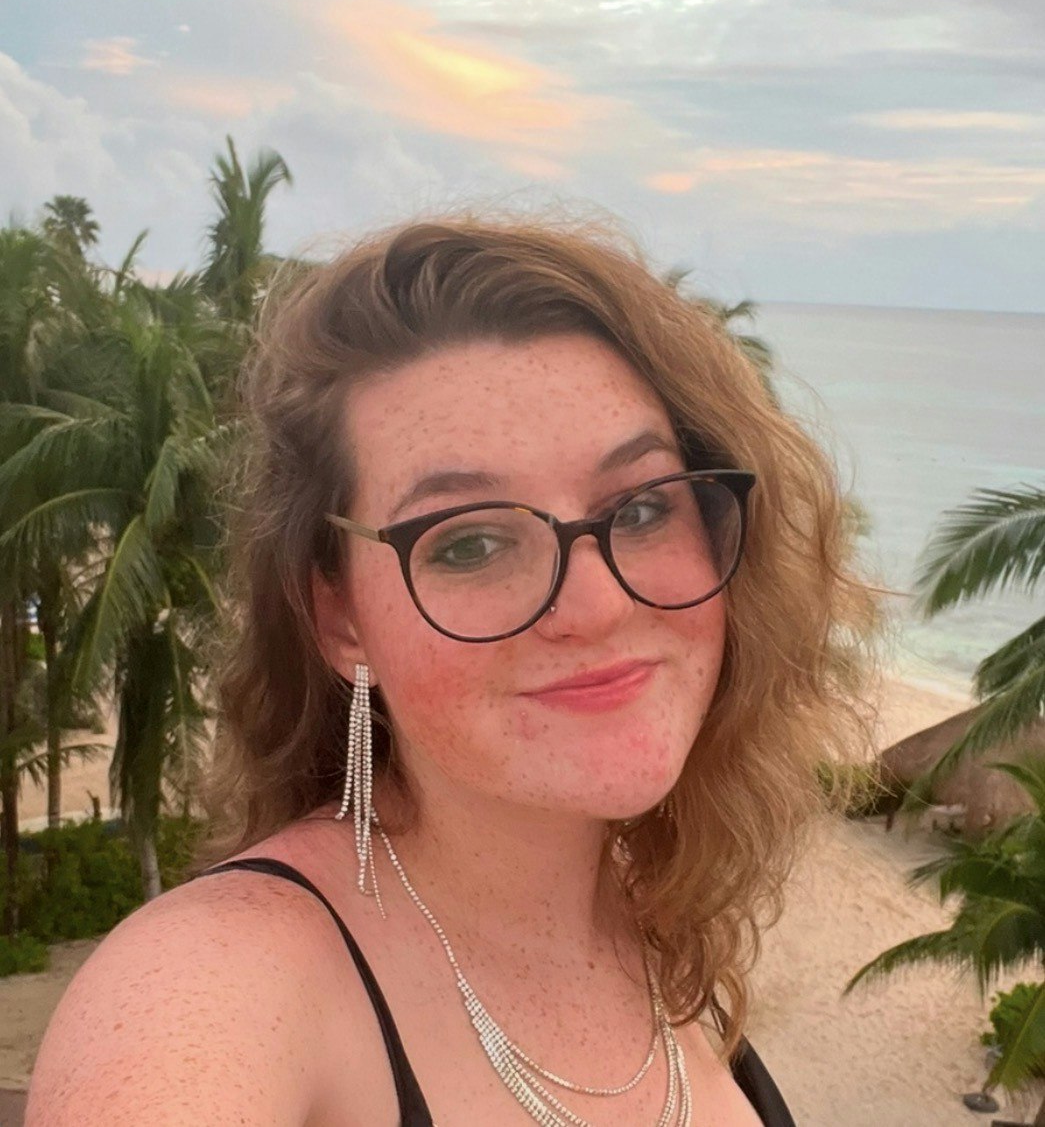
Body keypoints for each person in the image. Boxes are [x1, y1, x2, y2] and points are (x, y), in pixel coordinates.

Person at [28, 217, 872, 1125]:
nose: (596, 607)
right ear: (339, 616)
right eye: (468, 541)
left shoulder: (657, 922)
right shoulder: (214, 987)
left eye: (639, 508)